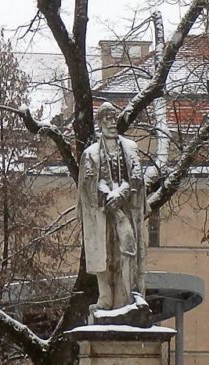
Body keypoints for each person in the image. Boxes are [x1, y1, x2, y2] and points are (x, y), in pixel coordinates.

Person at [77, 101, 147, 312]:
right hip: (102, 213)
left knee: (126, 253)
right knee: (104, 256)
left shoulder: (130, 148)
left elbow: (136, 177)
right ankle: (106, 298)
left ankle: (124, 299)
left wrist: (121, 194)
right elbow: (88, 186)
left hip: (125, 210)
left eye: (113, 117)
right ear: (99, 123)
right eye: (106, 118)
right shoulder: (90, 153)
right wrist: (107, 197)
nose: (111, 122)